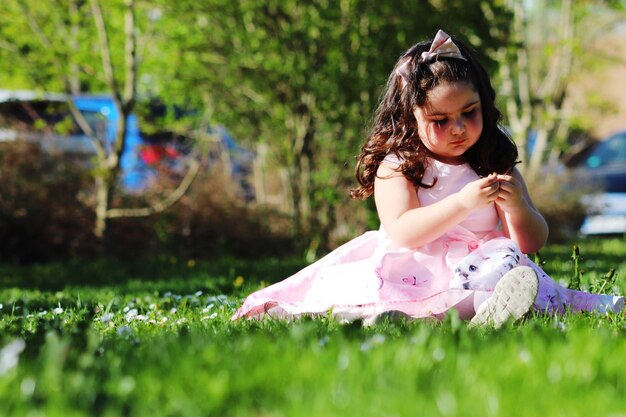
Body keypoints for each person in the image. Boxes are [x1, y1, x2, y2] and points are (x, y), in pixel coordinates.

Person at [232, 30, 624, 327]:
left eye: (469, 112)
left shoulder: (494, 161)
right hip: (412, 266)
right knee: (369, 290)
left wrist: (517, 205)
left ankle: (489, 310)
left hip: (480, 265)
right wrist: (463, 203)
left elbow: (530, 242)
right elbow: (403, 231)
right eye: (440, 120)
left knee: (510, 268)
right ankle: (406, 317)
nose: (458, 128)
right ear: (409, 118)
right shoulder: (400, 165)